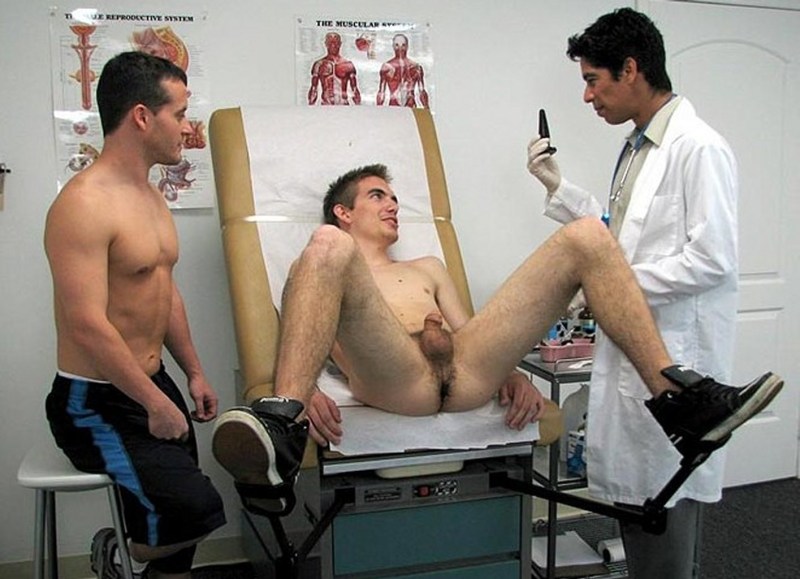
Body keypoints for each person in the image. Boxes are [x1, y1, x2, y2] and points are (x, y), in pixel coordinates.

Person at [212, 162, 782, 517]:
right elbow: (305, 334)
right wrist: (305, 389)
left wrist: (510, 372)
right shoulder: (326, 259)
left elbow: (470, 331)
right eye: (377, 196)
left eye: (394, 197)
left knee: (586, 235)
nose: (393, 205)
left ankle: (679, 400)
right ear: (343, 211)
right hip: (397, 379)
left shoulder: (428, 266)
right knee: (325, 247)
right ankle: (281, 425)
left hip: (466, 373)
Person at [527, 8, 739, 578]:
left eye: (593, 80)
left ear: (630, 68)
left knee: (665, 517)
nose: (587, 96)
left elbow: (712, 259)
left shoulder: (699, 148)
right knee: (638, 511)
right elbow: (616, 235)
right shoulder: (637, 148)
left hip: (673, 356)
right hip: (632, 358)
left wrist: (609, 286)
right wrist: (559, 188)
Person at [44, 51, 225, 579]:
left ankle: (142, 560)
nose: (188, 127)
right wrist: (153, 401)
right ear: (142, 116)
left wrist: (193, 372)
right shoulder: (83, 204)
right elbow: (85, 323)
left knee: (179, 535)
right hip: (94, 402)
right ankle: (117, 555)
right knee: (194, 509)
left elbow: (163, 290)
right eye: (180, 113)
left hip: (153, 381)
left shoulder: (150, 196)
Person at [376, 33, 430, 108]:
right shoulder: (386, 67)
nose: (400, 48)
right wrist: (378, 109)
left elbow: (422, 91)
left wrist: (426, 108)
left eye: (403, 45)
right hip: (393, 108)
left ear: (407, 46)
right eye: (397, 45)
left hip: (411, 107)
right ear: (393, 46)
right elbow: (381, 92)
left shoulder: (416, 67)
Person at [307, 32, 361, 106]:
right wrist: (309, 107)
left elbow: (354, 89)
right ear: (326, 44)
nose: (333, 45)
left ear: (340, 44)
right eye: (330, 42)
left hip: (343, 106)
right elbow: (314, 89)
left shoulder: (348, 65)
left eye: (336, 42)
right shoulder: (318, 65)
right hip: (325, 105)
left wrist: (359, 107)